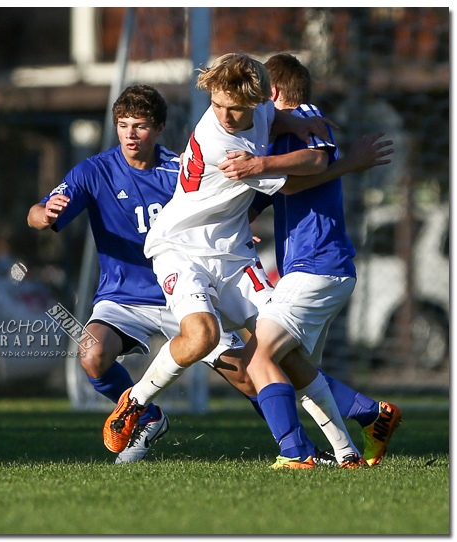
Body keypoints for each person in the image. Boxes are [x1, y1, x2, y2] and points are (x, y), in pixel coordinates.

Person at [103, 53, 390, 468]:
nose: (224, 115)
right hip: (183, 249)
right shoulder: (226, 145)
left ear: (258, 99)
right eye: (217, 105)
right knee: (201, 337)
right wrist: (345, 162)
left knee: (281, 355)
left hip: (233, 254)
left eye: (234, 108)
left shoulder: (259, 110)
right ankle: (135, 402)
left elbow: (271, 119)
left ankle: (343, 453)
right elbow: (306, 170)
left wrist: (291, 122)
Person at [28, 84, 262, 464]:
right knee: (92, 352)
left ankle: (296, 447)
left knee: (250, 376)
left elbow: (214, 213)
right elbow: (35, 214)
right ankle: (147, 416)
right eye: (122, 125)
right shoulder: (95, 171)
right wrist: (45, 213)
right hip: (123, 297)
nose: (130, 134)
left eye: (139, 126)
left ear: (159, 128)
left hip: (185, 293)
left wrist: (231, 234)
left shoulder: (180, 171)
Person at [218, 53, 401, 467]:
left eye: (259, 92)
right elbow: (277, 190)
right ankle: (360, 434)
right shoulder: (278, 134)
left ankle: (295, 454)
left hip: (319, 266)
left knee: (258, 359)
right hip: (313, 269)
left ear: (275, 91)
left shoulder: (305, 115)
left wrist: (260, 165)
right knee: (294, 370)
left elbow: (316, 161)